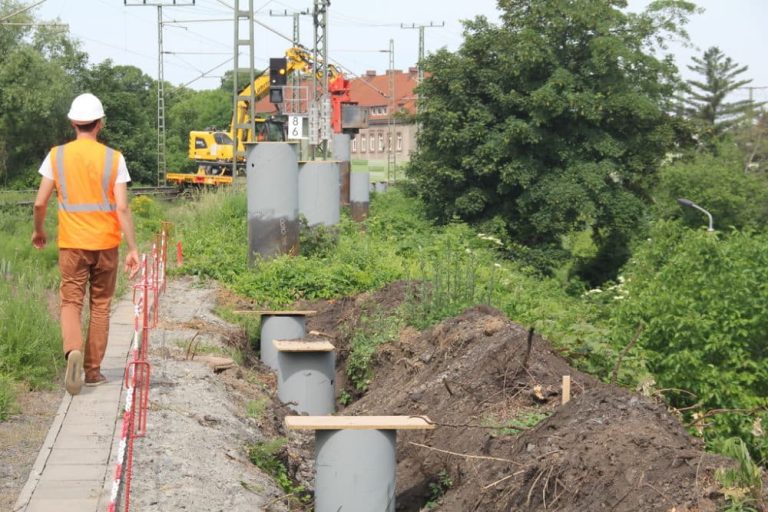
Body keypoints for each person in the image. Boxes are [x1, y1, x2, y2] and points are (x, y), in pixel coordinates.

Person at [32, 93, 140, 396]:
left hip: (72, 245)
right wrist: (132, 248)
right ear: (100, 124)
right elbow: (122, 208)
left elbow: (40, 203)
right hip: (106, 245)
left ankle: (72, 351)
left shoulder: (56, 156)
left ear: (72, 122)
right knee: (101, 307)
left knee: (70, 302)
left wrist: (38, 231)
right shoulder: (114, 158)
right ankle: (92, 372)